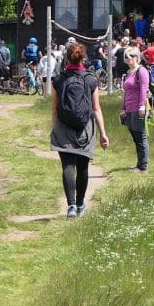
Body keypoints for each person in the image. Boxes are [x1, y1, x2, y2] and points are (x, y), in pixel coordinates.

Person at [50, 44, 109, 217]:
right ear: (83, 58)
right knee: (83, 167)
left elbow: (54, 109)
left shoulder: (59, 80)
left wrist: (55, 128)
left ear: (67, 58)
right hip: (86, 128)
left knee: (68, 165)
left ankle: (71, 206)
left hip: (63, 127)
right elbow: (96, 108)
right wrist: (103, 133)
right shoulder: (91, 79)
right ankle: (81, 204)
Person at [121, 46, 150, 174]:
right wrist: (123, 108)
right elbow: (126, 93)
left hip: (138, 108)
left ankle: (143, 167)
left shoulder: (142, 71)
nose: (128, 58)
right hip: (129, 108)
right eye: (126, 56)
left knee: (141, 137)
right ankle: (139, 164)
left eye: (131, 56)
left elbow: (144, 89)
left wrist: (142, 106)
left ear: (137, 57)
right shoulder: (128, 73)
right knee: (135, 137)